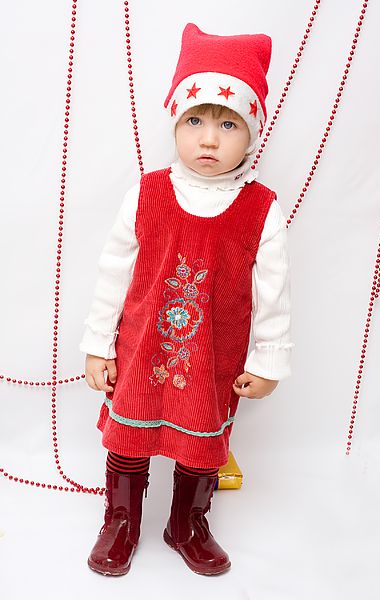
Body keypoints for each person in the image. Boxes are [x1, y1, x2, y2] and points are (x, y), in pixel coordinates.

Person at [79, 22, 294, 577]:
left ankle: (187, 523)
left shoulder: (260, 209)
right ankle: (120, 521)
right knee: (130, 435)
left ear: (251, 133)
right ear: (175, 122)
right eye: (195, 120)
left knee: (202, 446)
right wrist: (98, 345)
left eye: (228, 124)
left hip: (212, 360)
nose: (208, 139)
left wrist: (268, 359)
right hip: (143, 348)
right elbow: (113, 272)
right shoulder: (148, 193)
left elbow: (273, 293)